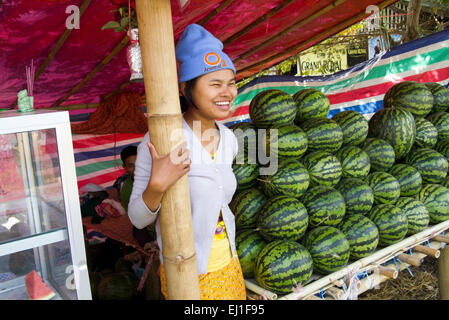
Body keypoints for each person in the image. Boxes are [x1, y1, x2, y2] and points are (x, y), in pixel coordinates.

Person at [127, 24, 246, 300]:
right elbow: (137, 217)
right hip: (186, 274)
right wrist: (157, 186)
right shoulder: (161, 140)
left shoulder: (229, 139)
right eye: (215, 84)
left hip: (229, 266)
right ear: (186, 89)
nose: (226, 92)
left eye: (231, 83)